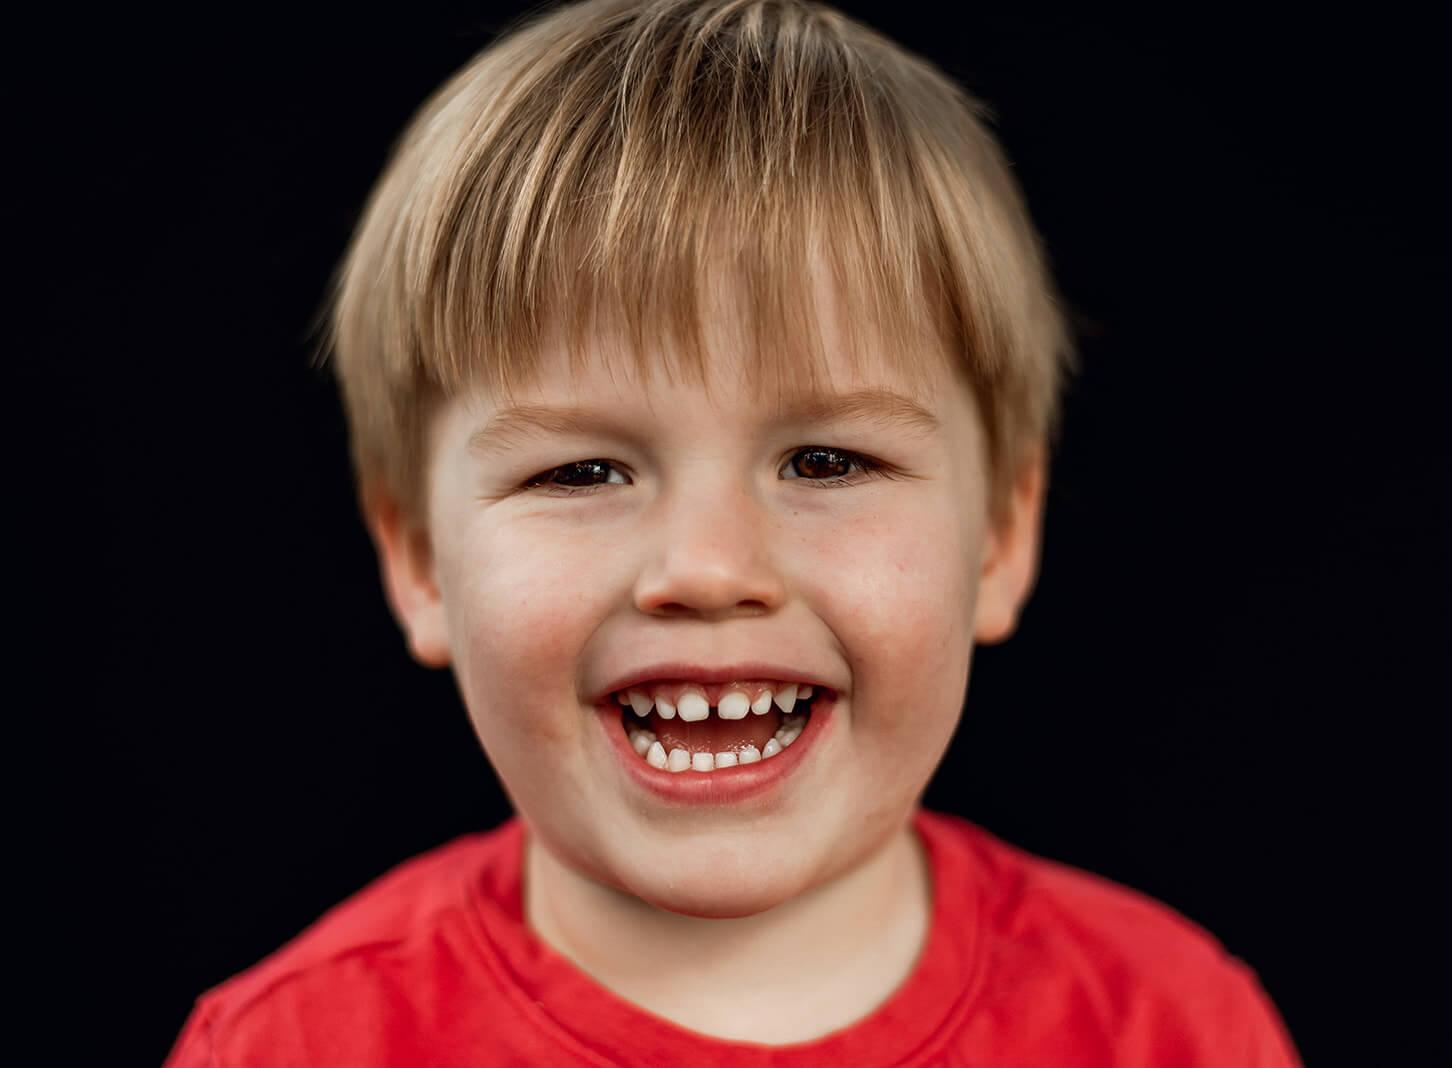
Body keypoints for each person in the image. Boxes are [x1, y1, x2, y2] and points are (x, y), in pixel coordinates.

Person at [166, 1, 1300, 1062]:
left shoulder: (1168, 1025)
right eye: (582, 470)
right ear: (418, 562)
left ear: (1000, 537)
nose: (707, 569)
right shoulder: (294, 1043)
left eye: (826, 461)